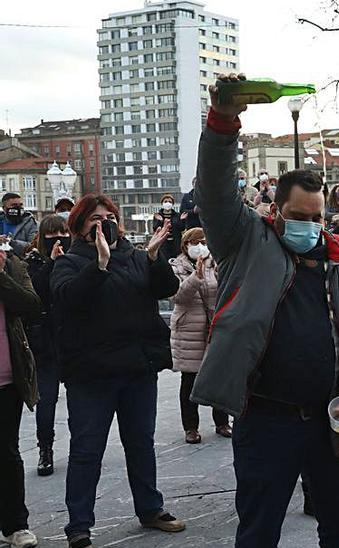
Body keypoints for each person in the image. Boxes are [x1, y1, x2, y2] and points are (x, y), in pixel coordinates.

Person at [192, 76, 339, 547]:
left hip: (334, 421)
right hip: (266, 421)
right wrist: (222, 123)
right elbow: (215, 194)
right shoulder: (246, 245)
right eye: (298, 216)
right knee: (258, 532)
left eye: (317, 217)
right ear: (276, 212)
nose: (309, 225)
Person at [51, 194, 184, 548]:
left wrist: (155, 258)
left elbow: (166, 289)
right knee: (86, 449)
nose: (104, 223)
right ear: (79, 225)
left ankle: (150, 508)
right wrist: (99, 265)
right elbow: (67, 301)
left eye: (109, 216)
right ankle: (79, 524)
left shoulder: (136, 256)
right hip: (91, 374)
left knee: (141, 443)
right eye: (95, 218)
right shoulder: (70, 261)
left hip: (137, 368)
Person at [168, 227, 230, 444]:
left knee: (219, 375)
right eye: (196, 242)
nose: (201, 246)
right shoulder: (177, 266)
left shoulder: (217, 263)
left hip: (215, 327)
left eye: (204, 241)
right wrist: (196, 275)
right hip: (189, 328)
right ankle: (191, 427)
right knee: (190, 380)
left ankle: (222, 421)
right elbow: (179, 297)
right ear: (186, 245)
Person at [0, 234, 42, 548]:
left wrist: (1, 276)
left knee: (7, 453)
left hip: (6, 378)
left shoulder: (11, 262)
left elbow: (30, 304)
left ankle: (16, 525)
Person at [22, 215, 71, 477]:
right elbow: (36, 292)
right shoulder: (33, 261)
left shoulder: (75, 256)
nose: (59, 239)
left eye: (63, 233)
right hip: (45, 341)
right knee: (47, 399)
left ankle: (82, 446)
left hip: (72, 338)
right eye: (52, 234)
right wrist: (52, 262)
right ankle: (45, 449)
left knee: (80, 397)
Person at [151, 194, 182, 260]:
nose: (168, 203)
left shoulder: (177, 215)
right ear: (162, 203)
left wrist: (182, 220)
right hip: (163, 243)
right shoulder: (158, 215)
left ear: (172, 204)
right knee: (164, 260)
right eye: (165, 201)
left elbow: (181, 228)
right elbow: (155, 229)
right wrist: (160, 221)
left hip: (175, 243)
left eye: (170, 202)